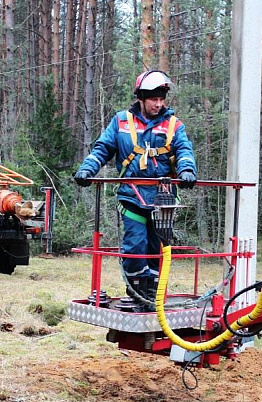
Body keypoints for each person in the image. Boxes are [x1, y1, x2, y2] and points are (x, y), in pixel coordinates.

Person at [74, 70, 197, 310]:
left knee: (158, 249)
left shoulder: (173, 125)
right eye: (153, 99)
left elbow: (184, 150)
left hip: (163, 200)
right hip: (132, 197)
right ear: (141, 97)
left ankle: (153, 295)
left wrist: (187, 171)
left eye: (162, 99)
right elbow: (103, 148)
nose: (158, 104)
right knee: (135, 246)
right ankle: (136, 291)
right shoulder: (121, 122)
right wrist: (87, 169)